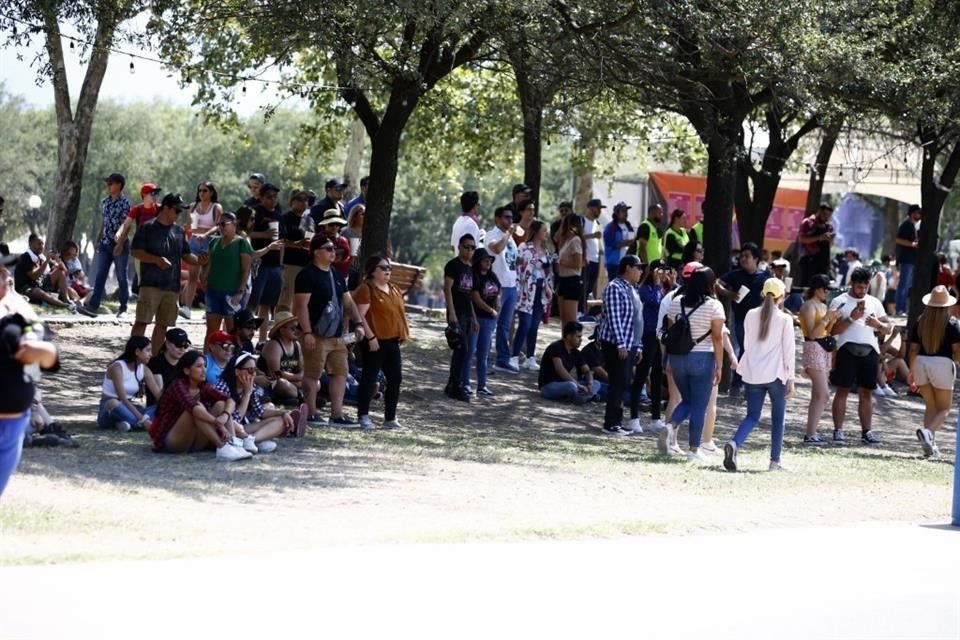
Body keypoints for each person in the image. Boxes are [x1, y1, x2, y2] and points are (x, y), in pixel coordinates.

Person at [723, 278, 796, 471]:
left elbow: (747, 345)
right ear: (782, 296)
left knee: (752, 416)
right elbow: (789, 351)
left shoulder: (750, 314)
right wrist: (791, 378)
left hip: (753, 373)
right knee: (778, 418)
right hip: (776, 374)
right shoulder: (785, 319)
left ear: (763, 294)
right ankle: (775, 461)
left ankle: (735, 443)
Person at [294, 233, 366, 427]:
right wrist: (307, 332)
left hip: (337, 336)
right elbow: (300, 306)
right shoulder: (306, 275)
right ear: (316, 252)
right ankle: (310, 413)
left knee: (340, 373)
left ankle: (337, 414)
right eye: (328, 248)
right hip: (315, 334)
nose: (333, 252)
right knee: (312, 374)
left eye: (334, 249)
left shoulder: (336, 274)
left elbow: (348, 301)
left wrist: (358, 323)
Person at [0, 264, 60, 495]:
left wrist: (42, 351)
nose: (6, 282)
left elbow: (49, 357)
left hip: (14, 421)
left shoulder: (20, 314)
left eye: (7, 279)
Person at [660, 265, 725, 462]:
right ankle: (694, 450)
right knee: (699, 405)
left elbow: (671, 334)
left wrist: (668, 360)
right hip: (702, 357)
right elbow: (717, 338)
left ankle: (670, 427)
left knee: (687, 399)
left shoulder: (676, 302)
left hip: (678, 358)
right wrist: (720, 366)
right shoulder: (714, 306)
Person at [147, 350, 252, 461]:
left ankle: (233, 444)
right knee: (196, 408)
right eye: (199, 367)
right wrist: (218, 423)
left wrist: (225, 415)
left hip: (193, 441)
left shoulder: (202, 385)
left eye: (205, 366)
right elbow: (193, 408)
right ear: (187, 370)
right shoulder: (178, 385)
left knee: (221, 404)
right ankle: (222, 447)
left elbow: (230, 399)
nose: (204, 370)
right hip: (171, 441)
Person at [828, 266, 892, 444]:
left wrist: (877, 324)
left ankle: (867, 431)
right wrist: (852, 318)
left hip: (870, 350)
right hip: (846, 349)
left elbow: (889, 327)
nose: (862, 291)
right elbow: (832, 329)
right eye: (859, 287)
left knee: (867, 393)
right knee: (842, 391)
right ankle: (838, 430)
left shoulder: (874, 302)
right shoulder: (839, 301)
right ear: (851, 284)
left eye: (865, 287)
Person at [130, 194, 198, 355]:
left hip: (171, 286)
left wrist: (201, 259)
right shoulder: (147, 227)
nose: (178, 214)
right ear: (166, 208)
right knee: (142, 321)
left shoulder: (179, 231)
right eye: (176, 210)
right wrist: (156, 260)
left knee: (163, 325)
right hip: (150, 284)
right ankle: (133, 356)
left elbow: (187, 255)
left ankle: (153, 359)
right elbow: (136, 251)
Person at [353, 255, 410, 429]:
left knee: (395, 379)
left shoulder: (394, 289)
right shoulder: (366, 289)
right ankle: (363, 416)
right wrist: (370, 337)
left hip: (393, 341)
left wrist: (403, 333)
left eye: (389, 268)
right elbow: (360, 316)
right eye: (383, 267)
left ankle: (390, 418)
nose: (387, 271)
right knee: (369, 378)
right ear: (372, 271)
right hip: (375, 341)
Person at [908, 285, 960, 460]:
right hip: (942, 363)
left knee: (931, 406)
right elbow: (957, 350)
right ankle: (928, 433)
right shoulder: (952, 323)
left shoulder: (920, 321)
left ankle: (930, 447)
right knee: (944, 408)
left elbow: (913, 349)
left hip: (921, 363)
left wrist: (911, 370)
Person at [215, 351, 303, 452]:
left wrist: (283, 413)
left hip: (243, 428)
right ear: (237, 371)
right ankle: (255, 441)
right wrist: (247, 393)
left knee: (281, 421)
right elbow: (234, 419)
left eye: (255, 370)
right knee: (238, 426)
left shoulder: (250, 386)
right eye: (250, 370)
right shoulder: (223, 387)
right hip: (228, 428)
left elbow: (260, 411)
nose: (253, 374)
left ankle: (252, 441)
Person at [597, 254, 644, 435]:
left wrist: (637, 346)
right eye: (638, 267)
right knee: (617, 382)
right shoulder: (614, 288)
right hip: (617, 344)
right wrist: (621, 344)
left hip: (629, 344)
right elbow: (615, 319)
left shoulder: (632, 289)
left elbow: (637, 320)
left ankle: (618, 421)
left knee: (624, 382)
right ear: (627, 268)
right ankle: (611, 423)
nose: (640, 271)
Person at [717, 242, 771, 395]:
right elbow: (716, 283)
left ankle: (747, 384)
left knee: (754, 350)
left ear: (756, 259)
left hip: (761, 321)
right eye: (742, 256)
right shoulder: (736, 274)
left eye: (747, 256)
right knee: (746, 348)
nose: (743, 259)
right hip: (740, 319)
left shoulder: (765, 277)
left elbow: (775, 292)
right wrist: (729, 294)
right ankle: (738, 384)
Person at [798, 274, 841, 444]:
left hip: (824, 348)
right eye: (826, 290)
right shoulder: (809, 306)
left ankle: (811, 433)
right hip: (813, 348)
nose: (827, 293)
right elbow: (812, 334)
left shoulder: (823, 306)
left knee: (818, 395)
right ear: (817, 289)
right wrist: (826, 318)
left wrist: (832, 319)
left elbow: (826, 331)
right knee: (823, 393)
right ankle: (810, 433)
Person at [85, 173, 131, 317]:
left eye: (110, 183)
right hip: (105, 243)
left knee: (121, 276)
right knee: (100, 275)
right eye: (108, 183)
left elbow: (126, 224)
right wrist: (98, 239)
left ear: (118, 185)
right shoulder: (105, 202)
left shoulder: (125, 203)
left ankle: (123, 306)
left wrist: (120, 243)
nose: (108, 186)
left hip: (120, 244)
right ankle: (93, 306)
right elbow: (104, 222)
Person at [202, 211, 253, 339]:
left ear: (234, 224)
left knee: (233, 330)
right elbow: (208, 265)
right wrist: (204, 279)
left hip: (232, 293)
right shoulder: (213, 243)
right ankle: (208, 358)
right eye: (219, 224)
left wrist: (240, 292)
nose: (220, 227)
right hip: (213, 290)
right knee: (211, 331)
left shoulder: (242, 243)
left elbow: (246, 269)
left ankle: (233, 357)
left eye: (224, 224)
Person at [631, 261, 669, 432]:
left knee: (656, 375)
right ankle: (633, 417)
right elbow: (649, 301)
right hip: (646, 336)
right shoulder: (645, 289)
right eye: (659, 270)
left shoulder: (663, 289)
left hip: (658, 336)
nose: (661, 274)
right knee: (641, 374)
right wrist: (653, 280)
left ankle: (655, 417)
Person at [511, 221, 552, 372]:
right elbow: (517, 268)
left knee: (534, 326)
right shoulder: (524, 248)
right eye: (543, 230)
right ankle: (514, 356)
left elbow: (547, 273)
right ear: (536, 232)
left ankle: (530, 357)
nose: (546, 233)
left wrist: (548, 287)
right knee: (525, 324)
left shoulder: (546, 252)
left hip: (540, 293)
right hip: (526, 292)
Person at [98, 335, 162, 433]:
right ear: (137, 352)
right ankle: (140, 424)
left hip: (128, 407)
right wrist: (143, 419)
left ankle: (127, 424)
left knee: (156, 406)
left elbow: (158, 395)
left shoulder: (144, 369)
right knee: (113, 402)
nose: (151, 354)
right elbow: (123, 398)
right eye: (148, 350)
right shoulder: (118, 367)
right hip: (110, 408)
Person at [179, 181, 223, 319]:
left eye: (205, 190)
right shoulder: (193, 206)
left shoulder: (216, 207)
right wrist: (190, 231)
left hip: (209, 242)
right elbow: (192, 225)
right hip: (194, 242)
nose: (202, 193)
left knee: (206, 278)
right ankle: (186, 307)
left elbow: (218, 226)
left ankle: (210, 307)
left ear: (211, 192)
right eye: (200, 191)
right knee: (193, 276)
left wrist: (205, 233)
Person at [248, 183, 284, 342]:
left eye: (275, 197)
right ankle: (246, 336)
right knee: (252, 303)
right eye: (269, 197)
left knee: (268, 304)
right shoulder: (255, 212)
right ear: (261, 197)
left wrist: (282, 263)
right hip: (259, 262)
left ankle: (263, 340)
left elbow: (282, 239)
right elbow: (245, 232)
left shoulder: (278, 214)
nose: (272, 200)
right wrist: (264, 234)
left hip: (275, 264)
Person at [443, 234, 477, 401]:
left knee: (463, 351)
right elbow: (447, 289)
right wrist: (452, 314)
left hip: (467, 313)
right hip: (456, 313)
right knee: (460, 349)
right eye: (466, 247)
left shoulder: (470, 268)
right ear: (459, 247)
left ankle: (453, 383)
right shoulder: (453, 265)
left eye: (473, 247)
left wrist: (474, 318)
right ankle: (455, 385)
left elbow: (469, 295)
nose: (469, 250)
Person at [487, 206, 520, 374]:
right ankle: (483, 359)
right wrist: (508, 234)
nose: (510, 221)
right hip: (497, 285)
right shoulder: (492, 235)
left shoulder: (511, 238)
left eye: (511, 218)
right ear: (497, 218)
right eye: (507, 217)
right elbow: (496, 249)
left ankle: (503, 359)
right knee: (490, 324)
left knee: (505, 326)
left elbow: (513, 259)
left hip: (511, 284)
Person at [13, 234, 82, 313]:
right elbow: (34, 276)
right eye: (39, 244)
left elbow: (64, 272)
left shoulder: (41, 257)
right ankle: (65, 305)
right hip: (26, 289)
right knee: (38, 292)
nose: (41, 246)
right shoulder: (26, 257)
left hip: (40, 285)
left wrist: (57, 260)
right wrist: (46, 261)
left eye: (42, 244)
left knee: (60, 272)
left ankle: (68, 301)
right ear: (30, 243)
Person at [539, 321, 599, 404]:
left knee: (596, 383)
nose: (580, 340)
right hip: (549, 386)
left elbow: (587, 371)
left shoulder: (576, 352)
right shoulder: (556, 347)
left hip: (565, 383)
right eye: (578, 337)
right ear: (569, 336)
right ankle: (586, 396)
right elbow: (560, 369)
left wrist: (590, 383)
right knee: (571, 386)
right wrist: (578, 385)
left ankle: (583, 396)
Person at [470, 248, 501, 397]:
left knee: (484, 355)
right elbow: (475, 298)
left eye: (489, 260)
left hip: (489, 320)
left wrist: (496, 309)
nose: (488, 262)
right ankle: (465, 384)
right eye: (484, 260)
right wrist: (490, 310)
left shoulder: (493, 276)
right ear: (478, 262)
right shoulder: (474, 277)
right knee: (470, 353)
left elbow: (497, 293)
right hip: (477, 318)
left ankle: (482, 386)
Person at [277, 190, 314, 313]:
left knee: (302, 300)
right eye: (299, 199)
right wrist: (296, 244)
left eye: (306, 199)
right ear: (291, 202)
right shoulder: (285, 218)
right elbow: (280, 240)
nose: (303, 202)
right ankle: (280, 328)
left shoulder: (310, 220)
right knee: (285, 299)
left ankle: (296, 328)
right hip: (289, 264)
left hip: (307, 264)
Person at [257, 311, 304, 404]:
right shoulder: (273, 345)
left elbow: (301, 369)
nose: (297, 331)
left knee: (316, 384)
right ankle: (299, 398)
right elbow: (275, 374)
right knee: (284, 385)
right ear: (282, 330)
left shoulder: (297, 345)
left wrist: (300, 376)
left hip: (292, 380)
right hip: (272, 382)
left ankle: (297, 396)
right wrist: (298, 377)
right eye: (293, 328)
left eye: (298, 327)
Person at [146, 328, 192, 413]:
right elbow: (159, 394)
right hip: (158, 407)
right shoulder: (156, 363)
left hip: (183, 404)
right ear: (167, 344)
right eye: (178, 345)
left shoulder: (186, 363)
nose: (182, 349)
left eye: (185, 346)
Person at [556, 214, 585, 328]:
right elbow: (556, 237)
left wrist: (563, 263)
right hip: (562, 279)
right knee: (563, 318)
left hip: (572, 280)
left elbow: (578, 264)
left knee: (570, 319)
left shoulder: (576, 240)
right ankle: (564, 342)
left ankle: (572, 343)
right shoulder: (566, 241)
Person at [797, 204, 835, 286]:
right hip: (809, 260)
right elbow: (802, 239)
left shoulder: (829, 226)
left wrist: (830, 240)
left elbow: (830, 245)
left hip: (823, 261)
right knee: (807, 285)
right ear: (819, 211)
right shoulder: (808, 222)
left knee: (821, 285)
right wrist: (819, 238)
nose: (826, 217)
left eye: (829, 215)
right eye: (825, 214)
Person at [895, 204, 922, 315]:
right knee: (903, 285)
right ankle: (899, 309)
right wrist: (913, 244)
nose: (919, 215)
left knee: (907, 286)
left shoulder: (913, 226)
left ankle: (903, 309)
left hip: (911, 260)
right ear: (912, 213)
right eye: (918, 213)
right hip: (906, 260)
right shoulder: (906, 225)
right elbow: (898, 240)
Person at [316, 208, 353, 285]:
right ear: (325, 225)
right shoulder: (318, 238)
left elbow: (349, 257)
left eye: (337, 224)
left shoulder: (344, 240)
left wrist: (343, 260)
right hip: (323, 276)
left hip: (342, 276)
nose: (335, 227)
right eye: (331, 224)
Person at [602, 201, 633, 283]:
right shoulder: (610, 227)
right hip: (614, 264)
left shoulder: (629, 226)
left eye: (626, 211)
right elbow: (610, 244)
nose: (626, 213)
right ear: (616, 213)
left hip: (626, 264)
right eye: (623, 211)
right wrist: (627, 242)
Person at [581, 201, 603, 304]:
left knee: (590, 287)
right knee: (583, 286)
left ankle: (584, 310)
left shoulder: (597, 223)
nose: (600, 211)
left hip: (596, 259)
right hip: (586, 260)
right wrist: (592, 235)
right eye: (598, 208)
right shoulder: (582, 221)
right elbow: (577, 238)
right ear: (590, 208)